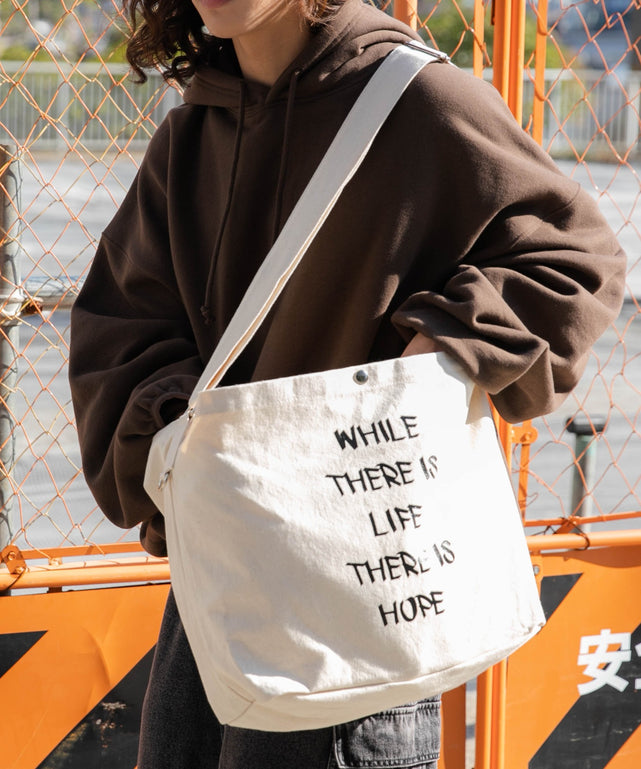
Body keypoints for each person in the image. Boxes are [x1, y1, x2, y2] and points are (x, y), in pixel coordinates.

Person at [69, 0, 626, 766]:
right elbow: (120, 325)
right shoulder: (191, 135)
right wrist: (177, 430)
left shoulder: (416, 100)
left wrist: (436, 350)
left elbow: (573, 257)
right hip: (217, 588)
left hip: (357, 596)